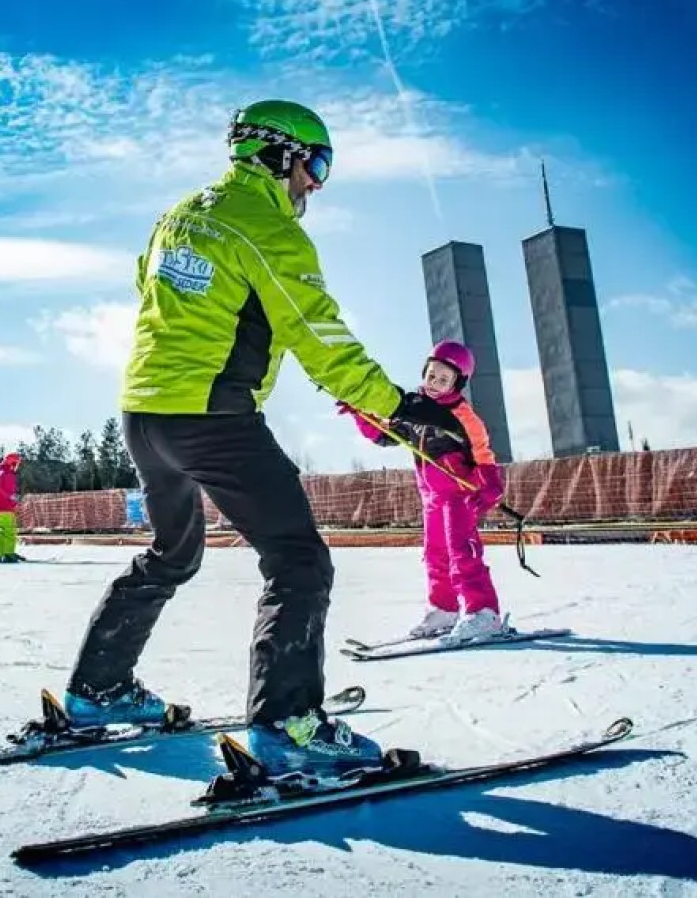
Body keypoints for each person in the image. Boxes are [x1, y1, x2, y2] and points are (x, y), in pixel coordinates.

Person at [60, 99, 468, 780]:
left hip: (144, 414)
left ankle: (96, 690)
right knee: (297, 559)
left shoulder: (177, 214)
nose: (315, 184)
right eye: (317, 165)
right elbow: (321, 337)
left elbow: (150, 287)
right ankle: (288, 726)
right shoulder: (270, 230)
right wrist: (399, 406)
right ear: (281, 155)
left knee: (171, 554)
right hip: (213, 418)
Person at [341, 339, 511, 644]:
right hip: (431, 498)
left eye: (444, 379)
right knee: (435, 554)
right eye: (431, 375)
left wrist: (490, 485)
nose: (435, 383)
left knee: (462, 553)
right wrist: (359, 413)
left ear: (457, 383)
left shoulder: (462, 417)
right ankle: (444, 610)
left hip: (458, 496)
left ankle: (483, 612)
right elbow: (383, 433)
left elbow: (483, 452)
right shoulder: (415, 410)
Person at [0, 453, 24, 563]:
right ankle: (7, 553)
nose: (17, 465)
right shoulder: (5, 474)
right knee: (8, 531)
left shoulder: (4, 473)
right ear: (11, 462)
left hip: (5, 506)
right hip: (4, 507)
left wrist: (12, 498)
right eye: (16, 463)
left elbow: (2, 489)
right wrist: (10, 497)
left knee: (5, 531)